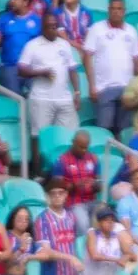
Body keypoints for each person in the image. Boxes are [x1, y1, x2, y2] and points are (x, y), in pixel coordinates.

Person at [19, 12, 82, 173]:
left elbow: (72, 69)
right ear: (43, 28)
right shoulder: (32, 45)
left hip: (64, 98)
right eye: (49, 27)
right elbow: (21, 69)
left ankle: (62, 171)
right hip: (41, 98)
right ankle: (38, 173)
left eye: (55, 26)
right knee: (38, 136)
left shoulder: (64, 44)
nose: (53, 30)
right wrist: (41, 73)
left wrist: (77, 92)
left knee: (67, 136)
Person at [82, 0, 138, 135]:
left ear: (124, 12)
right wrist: (92, 86)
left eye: (119, 9)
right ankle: (104, 156)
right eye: (113, 8)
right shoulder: (96, 29)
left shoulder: (131, 31)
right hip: (103, 88)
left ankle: (122, 156)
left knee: (124, 130)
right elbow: (87, 57)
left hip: (127, 88)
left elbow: (136, 60)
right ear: (108, 10)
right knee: (104, 129)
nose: (116, 11)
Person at [34, 178, 84, 275]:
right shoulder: (42, 220)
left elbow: (74, 244)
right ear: (47, 196)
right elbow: (46, 251)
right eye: (53, 193)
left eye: (60, 193)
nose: (57, 196)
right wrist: (70, 258)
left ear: (66, 194)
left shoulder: (72, 217)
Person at [51, 130, 100, 239]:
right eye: (81, 147)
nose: (84, 150)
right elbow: (56, 186)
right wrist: (75, 185)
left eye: (86, 147)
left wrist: (95, 184)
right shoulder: (62, 160)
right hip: (74, 203)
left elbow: (100, 184)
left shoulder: (94, 158)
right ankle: (82, 254)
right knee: (83, 225)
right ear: (73, 142)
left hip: (92, 201)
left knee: (105, 217)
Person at [82, 207, 135, 275]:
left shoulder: (117, 237)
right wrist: (117, 259)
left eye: (112, 220)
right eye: (106, 220)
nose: (110, 223)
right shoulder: (92, 234)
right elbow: (94, 255)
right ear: (99, 223)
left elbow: (131, 255)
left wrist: (125, 258)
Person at [0, 0, 41, 94]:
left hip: (31, 68)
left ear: (25, 2)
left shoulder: (37, 21)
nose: (12, 1)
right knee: (14, 101)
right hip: (10, 67)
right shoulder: (3, 20)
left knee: (38, 95)